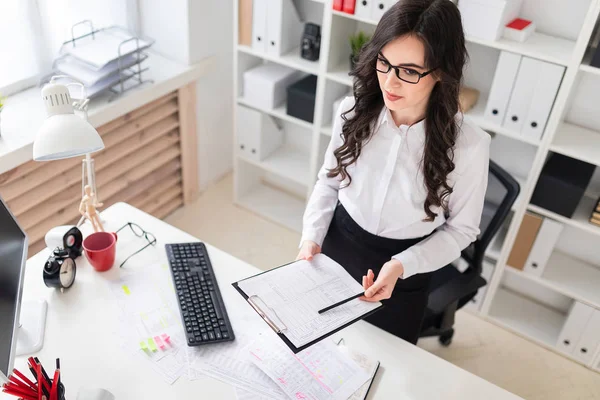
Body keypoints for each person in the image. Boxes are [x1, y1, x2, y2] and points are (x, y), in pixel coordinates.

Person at [296, 0, 490, 344]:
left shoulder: (469, 146)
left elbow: (461, 231)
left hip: (404, 268)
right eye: (384, 63)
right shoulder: (352, 111)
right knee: (315, 346)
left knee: (382, 365)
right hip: (338, 244)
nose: (390, 82)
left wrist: (402, 266)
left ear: (442, 71)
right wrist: (311, 237)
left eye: (410, 71)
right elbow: (328, 182)